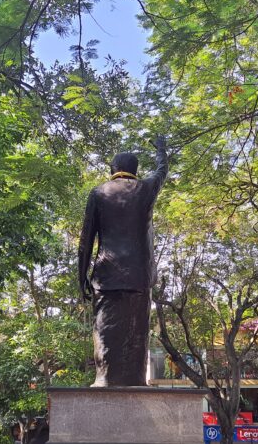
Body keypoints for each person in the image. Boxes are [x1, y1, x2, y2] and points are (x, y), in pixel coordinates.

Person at [78, 137, 169, 387]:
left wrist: (81, 275)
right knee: (136, 336)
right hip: (139, 277)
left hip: (107, 276)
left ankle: (104, 380)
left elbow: (86, 239)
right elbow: (162, 171)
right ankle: (135, 381)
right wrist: (161, 149)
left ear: (112, 169)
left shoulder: (98, 192)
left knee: (106, 333)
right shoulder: (147, 188)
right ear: (136, 170)